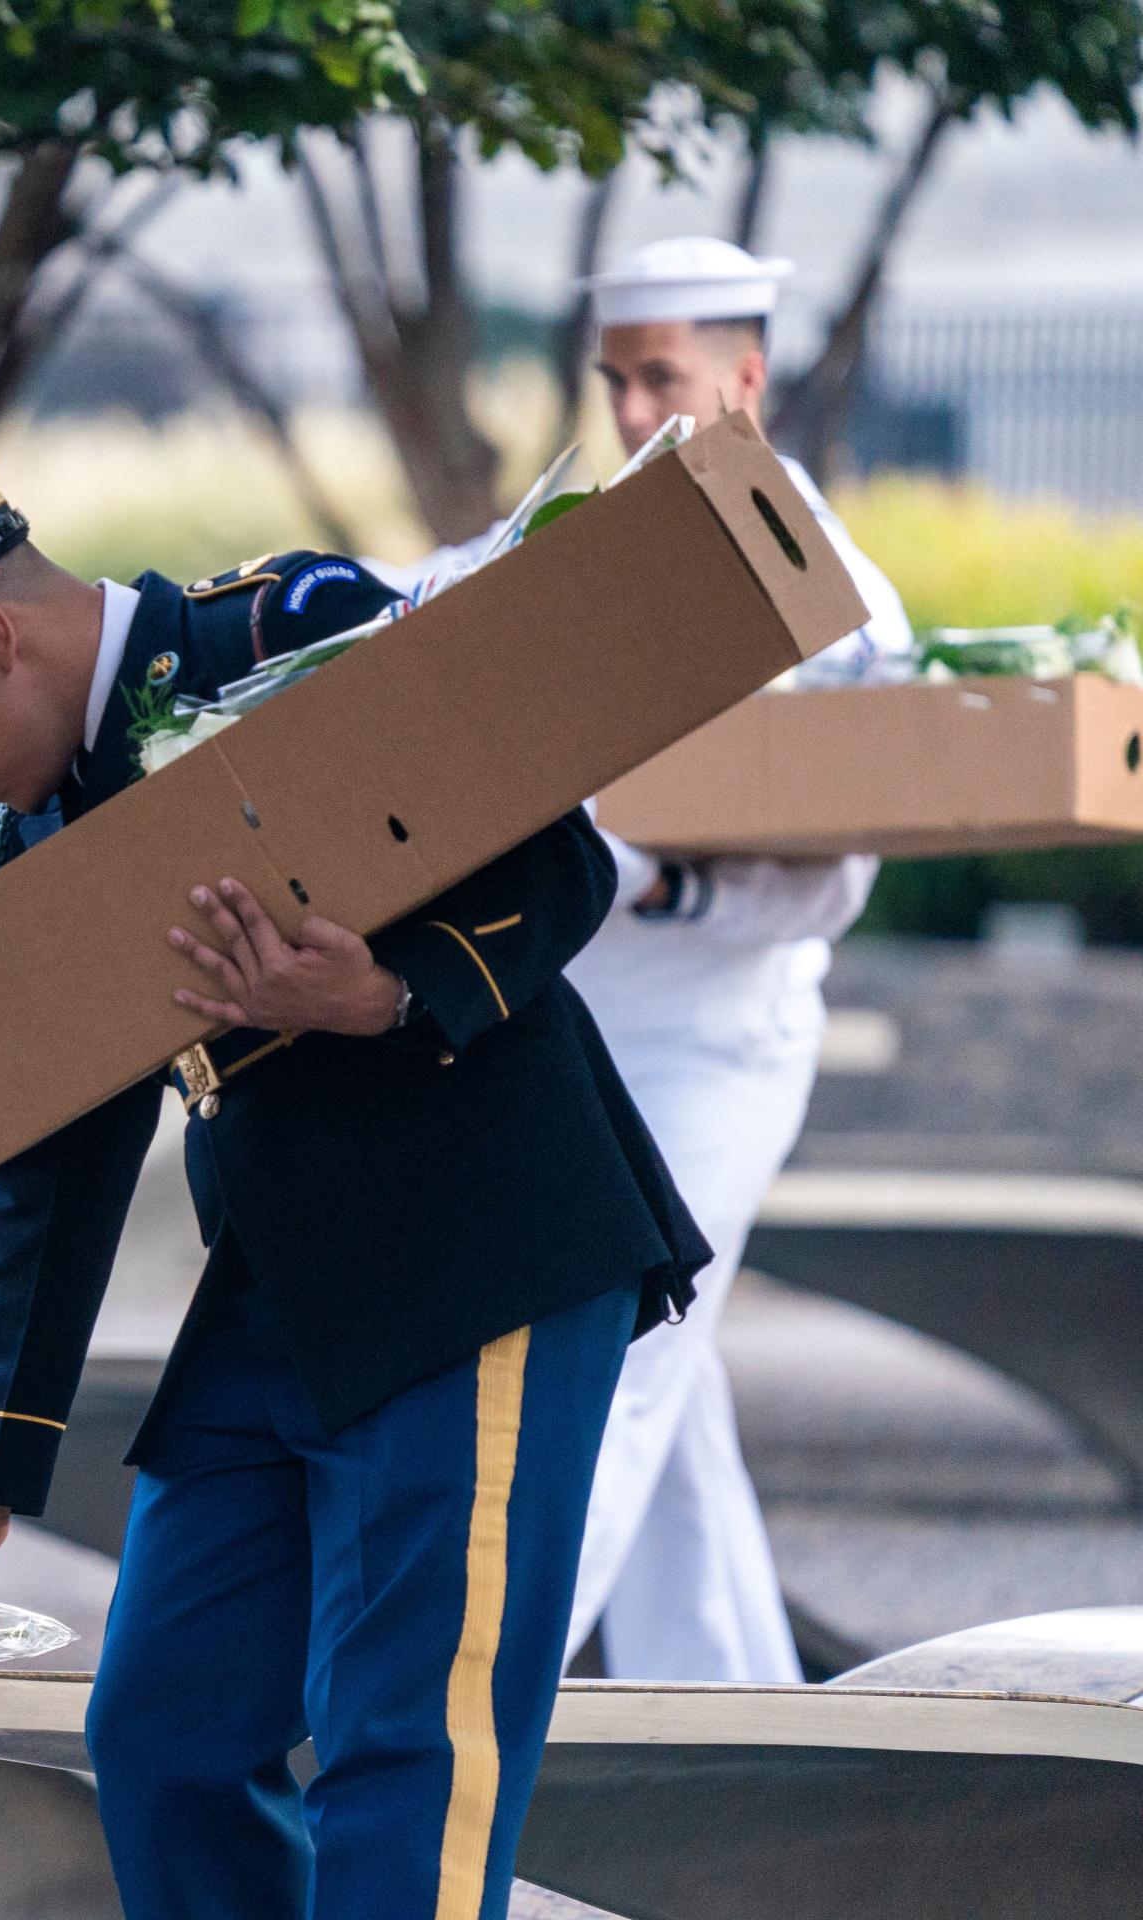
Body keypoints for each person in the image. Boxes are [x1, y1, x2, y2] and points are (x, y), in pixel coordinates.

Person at [0, 446, 709, 1920]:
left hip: (475, 1245)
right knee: (164, 1734)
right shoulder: (41, 835)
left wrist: (385, 993)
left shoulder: (293, 629)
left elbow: (565, 859)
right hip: (279, 1298)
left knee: (407, 1746)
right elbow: (57, 1161)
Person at [384, 236, 915, 1685]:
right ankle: (753, 1745)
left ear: (745, 382)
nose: (629, 411)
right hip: (567, 1041)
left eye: (661, 378)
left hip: (714, 1048)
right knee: (669, 1417)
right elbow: (409, 607)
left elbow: (831, 882)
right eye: (615, 378)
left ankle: (450, 1726)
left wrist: (663, 878)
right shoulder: (561, 550)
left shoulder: (837, 603)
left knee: (601, 1373)